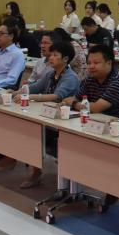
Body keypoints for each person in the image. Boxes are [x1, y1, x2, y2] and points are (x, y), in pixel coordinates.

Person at [20, 41, 79, 188]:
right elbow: (35, 87)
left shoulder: (70, 77)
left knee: (34, 132)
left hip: (64, 122)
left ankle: (49, 174)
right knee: (28, 129)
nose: (50, 58)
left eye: (55, 55)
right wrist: (17, 92)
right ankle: (36, 171)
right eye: (50, 54)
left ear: (65, 59)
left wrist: (31, 97)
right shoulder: (50, 73)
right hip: (47, 117)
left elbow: (57, 96)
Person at [65, 45, 119, 118]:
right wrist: (66, 103)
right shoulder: (90, 79)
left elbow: (95, 109)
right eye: (89, 63)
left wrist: (73, 104)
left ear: (109, 63)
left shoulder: (117, 82)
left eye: (96, 63)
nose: (91, 66)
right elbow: (76, 98)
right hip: (97, 120)